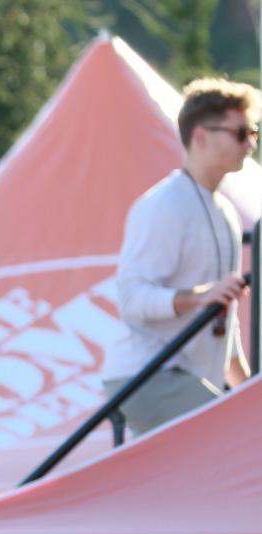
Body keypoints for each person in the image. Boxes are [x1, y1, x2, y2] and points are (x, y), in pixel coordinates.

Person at [102, 78, 260, 435]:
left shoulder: (225, 213)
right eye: (240, 132)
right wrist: (199, 296)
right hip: (147, 375)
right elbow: (131, 299)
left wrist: (250, 392)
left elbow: (223, 321)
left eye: (253, 132)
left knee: (244, 440)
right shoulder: (162, 206)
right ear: (201, 136)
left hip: (184, 379)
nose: (250, 143)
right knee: (236, 439)